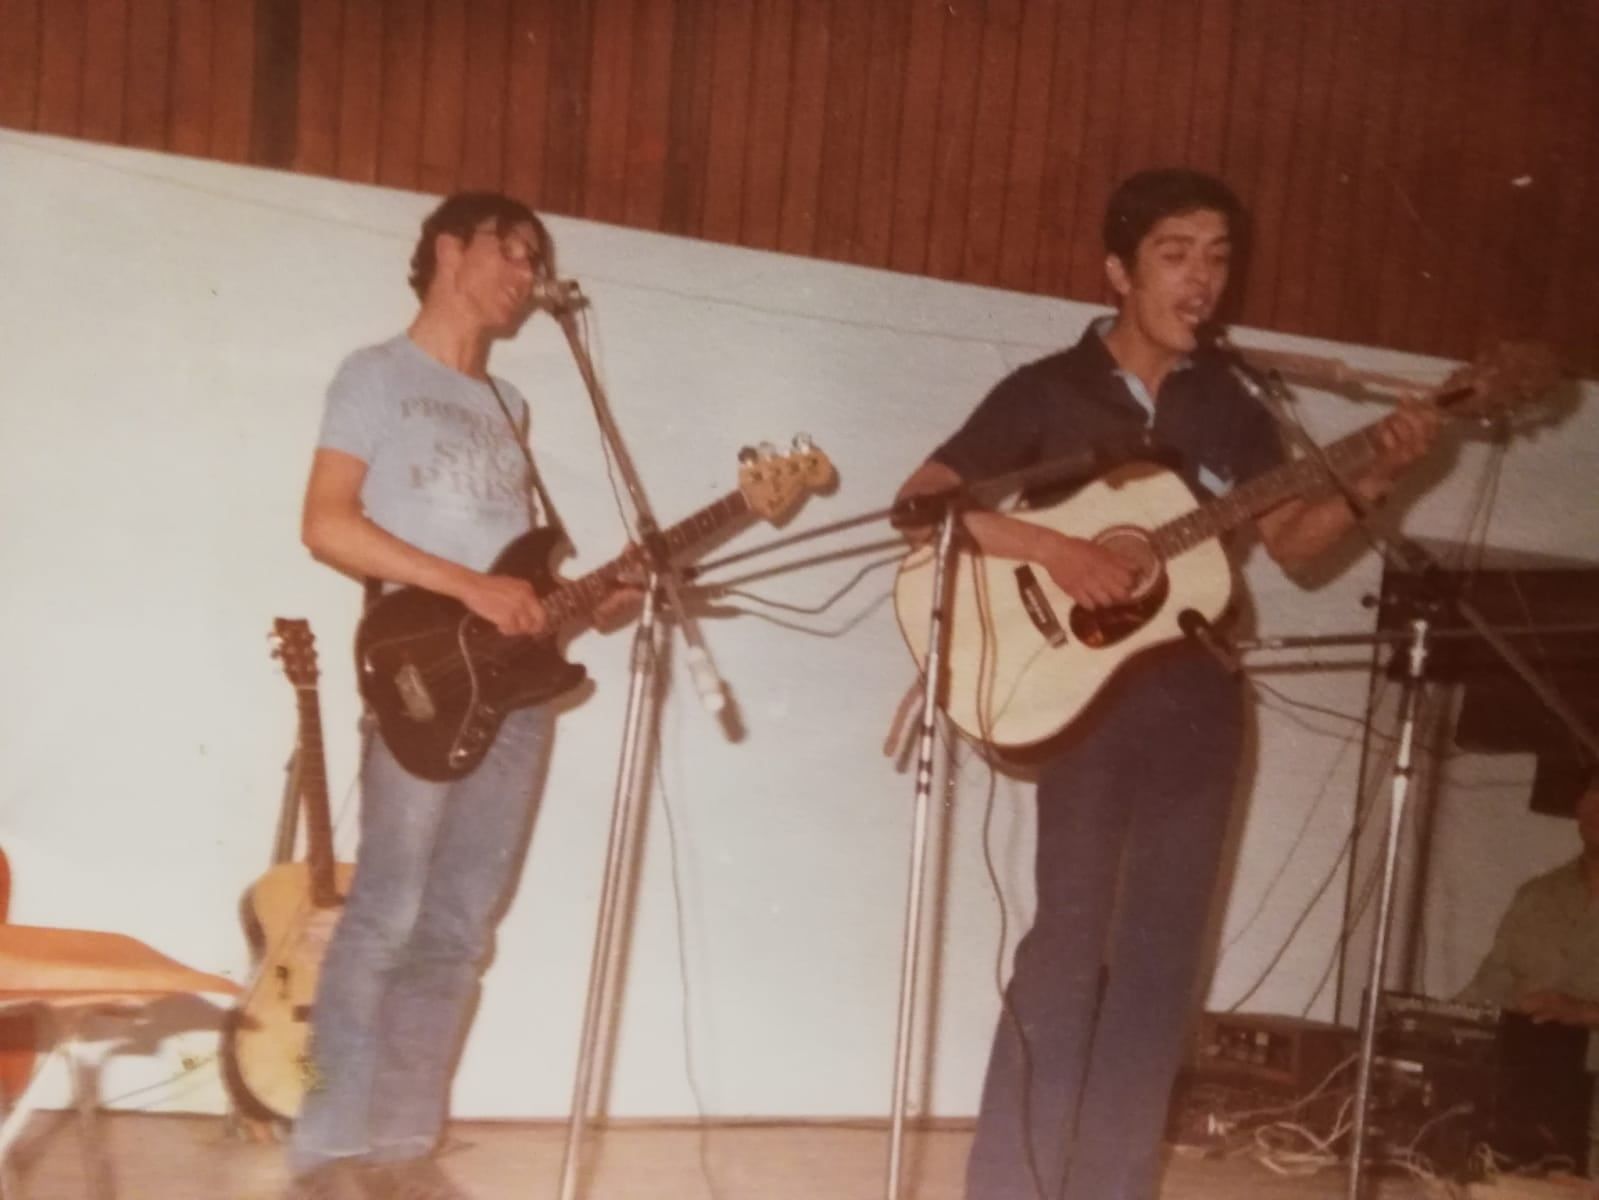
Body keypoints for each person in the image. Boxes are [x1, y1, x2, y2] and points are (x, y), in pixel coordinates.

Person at [894, 167, 1440, 1200]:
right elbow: (922, 505)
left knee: (1159, 969)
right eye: (1176, 255)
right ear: (1118, 271)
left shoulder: (1231, 405)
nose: (1202, 278)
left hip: (1200, 697)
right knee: (1066, 952)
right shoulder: (1046, 392)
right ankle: (1008, 1189)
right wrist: (1057, 551)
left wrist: (1381, 475)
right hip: (1088, 705)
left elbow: (1300, 546)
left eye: (1219, 257)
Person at [287, 192, 636, 1200]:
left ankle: (402, 1144)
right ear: (448, 250)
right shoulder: (375, 376)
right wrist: (470, 587)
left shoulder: (509, 407)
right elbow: (327, 525)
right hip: (419, 673)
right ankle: (323, 1145)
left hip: (513, 692)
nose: (526, 276)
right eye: (511, 252)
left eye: (536, 261)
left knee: (460, 926)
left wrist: (587, 604)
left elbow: (514, 579)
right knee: (384, 914)